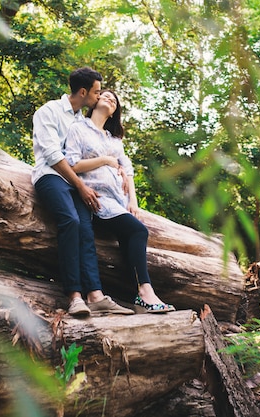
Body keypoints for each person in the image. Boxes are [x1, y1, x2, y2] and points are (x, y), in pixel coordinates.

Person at [32, 68, 134, 317]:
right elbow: (53, 157)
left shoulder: (81, 121)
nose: (99, 97)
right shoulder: (49, 111)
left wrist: (118, 172)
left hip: (77, 182)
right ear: (83, 92)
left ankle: (96, 295)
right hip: (51, 177)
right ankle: (74, 296)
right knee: (71, 220)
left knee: (86, 230)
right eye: (97, 92)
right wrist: (81, 186)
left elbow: (98, 153)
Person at [64, 90, 175, 313]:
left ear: (115, 112)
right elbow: (72, 164)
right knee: (138, 231)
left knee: (131, 234)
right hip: (95, 198)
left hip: (118, 201)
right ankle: (145, 293)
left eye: (114, 100)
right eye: (105, 96)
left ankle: (142, 298)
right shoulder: (78, 128)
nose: (110, 99)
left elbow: (128, 171)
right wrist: (105, 160)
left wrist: (132, 200)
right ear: (94, 102)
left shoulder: (114, 140)